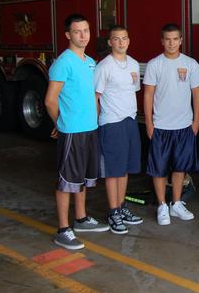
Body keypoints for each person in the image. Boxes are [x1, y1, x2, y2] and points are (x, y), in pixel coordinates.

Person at [45, 13, 108, 251]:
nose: (83, 35)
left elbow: (91, 97)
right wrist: (60, 124)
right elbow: (50, 101)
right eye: (77, 31)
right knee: (67, 181)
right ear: (67, 35)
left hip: (90, 128)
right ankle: (63, 230)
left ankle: (81, 219)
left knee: (80, 178)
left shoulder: (90, 62)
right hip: (72, 130)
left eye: (86, 30)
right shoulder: (63, 63)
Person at [144, 23, 199, 225]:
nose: (171, 43)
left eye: (175, 39)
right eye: (167, 39)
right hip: (160, 126)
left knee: (180, 167)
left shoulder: (191, 64)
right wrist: (149, 123)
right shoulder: (155, 64)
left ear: (180, 40)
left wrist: (196, 121)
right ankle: (162, 205)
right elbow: (148, 94)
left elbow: (197, 94)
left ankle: (176, 204)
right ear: (162, 41)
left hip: (184, 126)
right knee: (159, 168)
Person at [94, 25, 143, 235]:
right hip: (111, 123)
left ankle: (121, 207)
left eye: (124, 38)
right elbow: (95, 97)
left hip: (129, 121)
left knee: (124, 169)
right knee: (113, 171)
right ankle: (113, 211)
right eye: (116, 39)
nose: (121, 42)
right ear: (109, 42)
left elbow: (133, 92)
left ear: (129, 41)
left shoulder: (133, 64)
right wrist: (98, 123)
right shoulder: (103, 67)